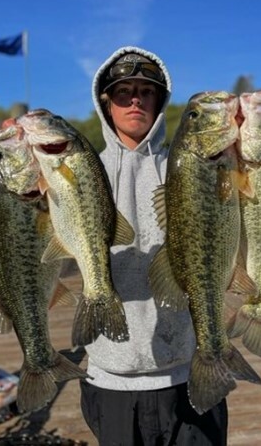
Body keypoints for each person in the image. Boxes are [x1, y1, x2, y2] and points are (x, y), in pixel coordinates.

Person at [80, 46, 228, 445]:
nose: (135, 100)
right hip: (110, 378)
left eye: (146, 91)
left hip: (189, 370)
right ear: (105, 102)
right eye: (123, 91)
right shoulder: (80, 172)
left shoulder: (188, 163)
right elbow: (59, 266)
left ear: (160, 102)